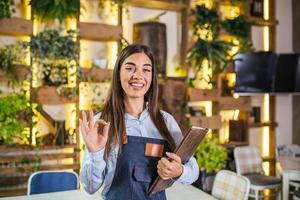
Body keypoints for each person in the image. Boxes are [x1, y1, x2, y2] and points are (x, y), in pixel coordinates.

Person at [79, 44, 199, 200]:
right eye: (130, 68)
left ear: (151, 77)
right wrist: (94, 153)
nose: (138, 75)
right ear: (118, 73)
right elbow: (89, 187)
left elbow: (193, 169)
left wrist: (179, 171)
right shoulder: (101, 123)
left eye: (146, 69)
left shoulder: (166, 122)